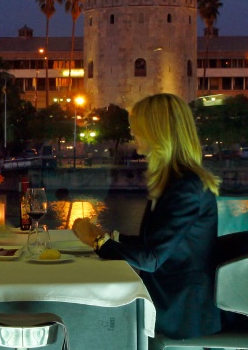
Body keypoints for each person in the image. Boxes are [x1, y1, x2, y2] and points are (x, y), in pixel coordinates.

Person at [71, 93, 223, 340]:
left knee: (91, 320)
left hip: (178, 310)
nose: (133, 135)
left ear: (158, 133)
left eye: (138, 129)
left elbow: (151, 257)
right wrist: (108, 237)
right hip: (172, 299)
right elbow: (154, 245)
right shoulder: (177, 182)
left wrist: (98, 243)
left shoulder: (185, 187)